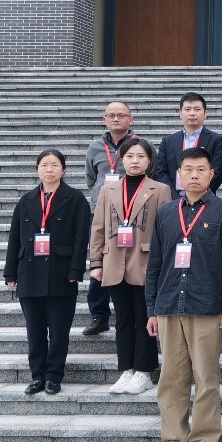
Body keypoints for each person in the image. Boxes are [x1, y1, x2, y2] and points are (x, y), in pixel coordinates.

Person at [144, 148, 222, 442]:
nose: (195, 175)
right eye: (188, 169)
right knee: (171, 379)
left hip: (208, 305)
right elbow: (155, 263)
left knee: (206, 378)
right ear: (179, 175)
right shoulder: (166, 213)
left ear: (212, 174)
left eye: (201, 169)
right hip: (170, 304)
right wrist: (151, 308)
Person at [88, 137, 172, 395]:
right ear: (121, 159)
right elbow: (98, 227)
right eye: (130, 156)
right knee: (123, 319)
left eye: (141, 156)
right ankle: (126, 368)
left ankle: (144, 371)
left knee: (144, 318)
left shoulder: (160, 189)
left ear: (150, 160)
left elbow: (166, 230)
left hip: (145, 261)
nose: (135, 161)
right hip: (114, 261)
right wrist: (96, 262)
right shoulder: (108, 190)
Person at [4, 150, 90, 396]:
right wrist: (11, 272)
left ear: (64, 170)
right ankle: (37, 376)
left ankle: (53, 375)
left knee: (59, 330)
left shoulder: (75, 199)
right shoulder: (26, 200)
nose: (49, 169)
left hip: (61, 272)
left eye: (54, 165)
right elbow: (14, 238)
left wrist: (76, 269)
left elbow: (81, 237)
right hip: (29, 272)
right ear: (37, 170)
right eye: (44, 165)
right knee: (35, 330)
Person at [82, 101, 135, 336]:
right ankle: (99, 315)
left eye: (121, 115)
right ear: (104, 119)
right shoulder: (95, 147)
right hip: (101, 213)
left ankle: (133, 311)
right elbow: (91, 179)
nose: (116, 119)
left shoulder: (139, 145)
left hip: (131, 214)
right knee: (99, 261)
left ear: (130, 119)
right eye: (111, 115)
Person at [153, 92, 222, 195]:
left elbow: (217, 174)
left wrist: (197, 196)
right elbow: (160, 172)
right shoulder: (168, 141)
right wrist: (174, 198)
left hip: (204, 199)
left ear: (205, 113)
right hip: (173, 198)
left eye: (197, 109)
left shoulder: (217, 140)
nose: (192, 113)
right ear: (180, 113)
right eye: (187, 109)